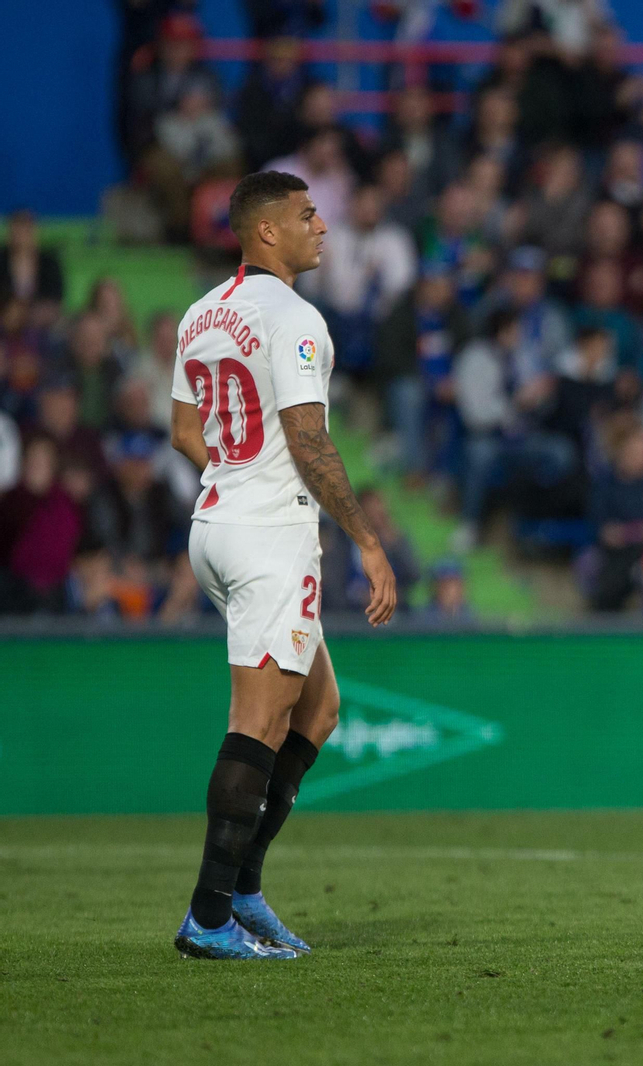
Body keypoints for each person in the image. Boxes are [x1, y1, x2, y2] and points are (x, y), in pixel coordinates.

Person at [167, 172, 397, 960]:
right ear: (267, 231)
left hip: (216, 523)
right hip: (268, 537)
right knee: (256, 723)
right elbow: (309, 440)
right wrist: (368, 541)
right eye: (306, 215)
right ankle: (207, 915)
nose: (321, 226)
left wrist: (234, 474)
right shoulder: (295, 319)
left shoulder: (202, 312)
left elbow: (180, 428)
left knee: (318, 709)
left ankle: (245, 889)